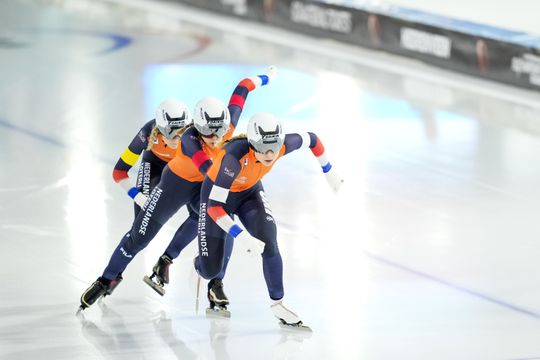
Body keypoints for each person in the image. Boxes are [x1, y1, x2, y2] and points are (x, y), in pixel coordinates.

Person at [79, 67, 277, 311]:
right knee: (139, 236)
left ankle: (212, 281)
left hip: (201, 185)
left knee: (222, 221)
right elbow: (206, 170)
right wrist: (140, 197)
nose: (215, 138)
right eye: (208, 133)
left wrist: (267, 78)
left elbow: (243, 87)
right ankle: (107, 278)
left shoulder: (225, 127)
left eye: (219, 132)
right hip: (176, 183)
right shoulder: (187, 138)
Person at [195, 112, 343, 329]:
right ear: (252, 144)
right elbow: (215, 208)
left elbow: (313, 139)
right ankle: (202, 265)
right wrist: (242, 236)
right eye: (263, 147)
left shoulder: (282, 146)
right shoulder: (232, 159)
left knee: (269, 242)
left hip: (249, 193)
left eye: (274, 146)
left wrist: (329, 171)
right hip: (217, 198)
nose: (270, 153)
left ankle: (278, 303)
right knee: (209, 269)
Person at [113, 99, 191, 216]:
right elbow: (119, 172)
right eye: (170, 133)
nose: (176, 139)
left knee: (200, 214)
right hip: (154, 163)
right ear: (159, 129)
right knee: (141, 218)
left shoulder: (198, 133)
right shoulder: (147, 133)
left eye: (181, 133)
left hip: (181, 168)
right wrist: (138, 197)